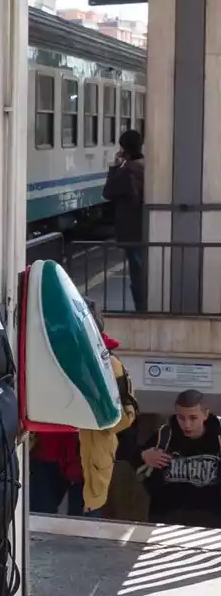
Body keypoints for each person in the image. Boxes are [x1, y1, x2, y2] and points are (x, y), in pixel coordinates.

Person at [75, 299, 137, 518]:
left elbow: (127, 415)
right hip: (48, 458)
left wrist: (101, 422)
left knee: (88, 533)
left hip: (91, 461)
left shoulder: (111, 365)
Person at [138, 389, 221, 528]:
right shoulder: (164, 437)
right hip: (167, 518)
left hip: (212, 520)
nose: (187, 424)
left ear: (205, 415)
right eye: (181, 418)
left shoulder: (218, 439)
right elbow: (134, 462)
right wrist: (143, 456)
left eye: (193, 418)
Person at [103, 130, 146, 312]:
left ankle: (142, 310)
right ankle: (145, 308)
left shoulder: (127, 171)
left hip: (131, 230)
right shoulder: (146, 166)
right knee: (144, 272)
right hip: (146, 227)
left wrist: (115, 166)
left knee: (138, 276)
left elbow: (108, 192)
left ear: (124, 149)